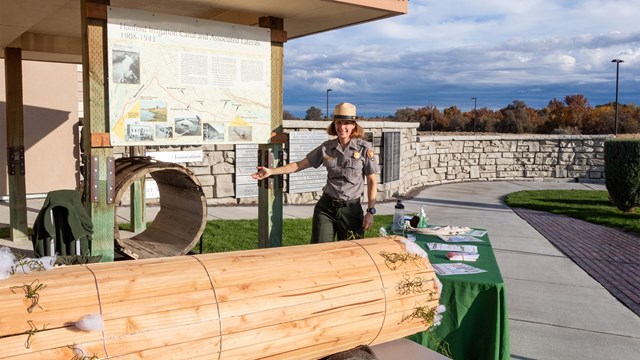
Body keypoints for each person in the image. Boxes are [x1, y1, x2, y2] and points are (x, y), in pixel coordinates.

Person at [251, 102, 380, 243]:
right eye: (338, 122)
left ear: (353, 125)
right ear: (334, 124)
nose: (342, 127)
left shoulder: (364, 149)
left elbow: (372, 181)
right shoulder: (326, 148)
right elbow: (299, 165)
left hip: (351, 210)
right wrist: (271, 171)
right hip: (326, 208)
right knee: (319, 250)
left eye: (346, 123)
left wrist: (370, 211)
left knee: (351, 252)